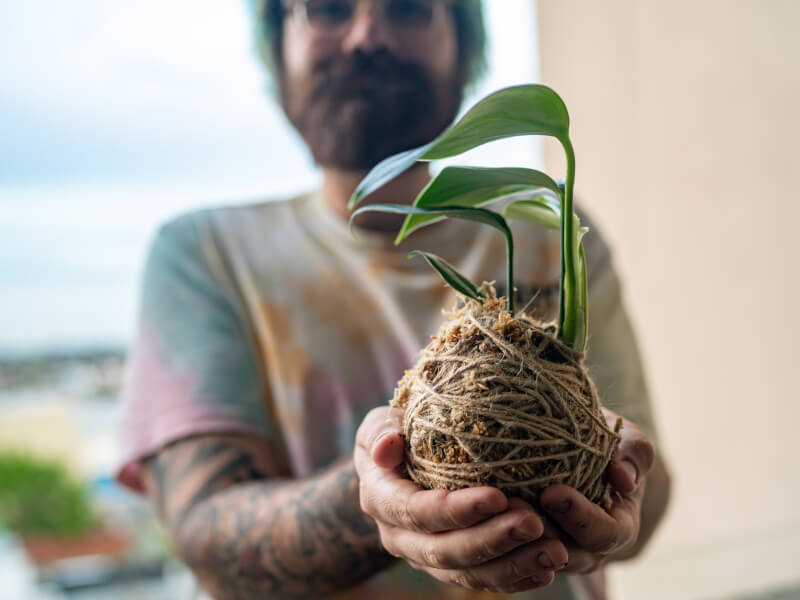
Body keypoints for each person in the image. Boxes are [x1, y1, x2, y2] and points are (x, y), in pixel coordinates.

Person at [116, 0, 671, 598]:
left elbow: (646, 491)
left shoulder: (551, 231)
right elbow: (203, 531)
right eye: (328, 9)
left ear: (464, 46)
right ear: (278, 45)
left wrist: (614, 478)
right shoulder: (206, 253)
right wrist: (379, 494)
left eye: (407, 8)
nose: (366, 36)